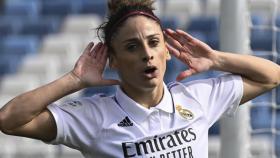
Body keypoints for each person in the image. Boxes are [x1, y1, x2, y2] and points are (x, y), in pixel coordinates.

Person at [0, 0, 280, 157]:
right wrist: (73, 80)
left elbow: (271, 76)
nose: (147, 54)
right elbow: (9, 119)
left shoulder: (196, 98)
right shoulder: (95, 117)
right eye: (132, 47)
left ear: (166, 52)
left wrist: (216, 59)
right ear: (113, 60)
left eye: (154, 42)